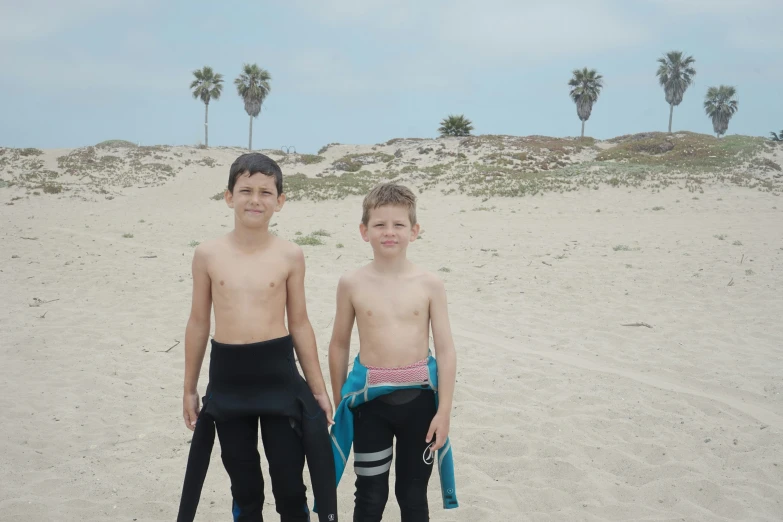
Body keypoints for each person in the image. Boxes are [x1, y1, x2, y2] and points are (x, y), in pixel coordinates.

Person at [176, 153, 338, 522]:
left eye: (266, 192)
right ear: (229, 197)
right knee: (244, 483)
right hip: (228, 380)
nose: (255, 199)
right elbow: (199, 322)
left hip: (278, 379)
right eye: (245, 190)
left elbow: (300, 323)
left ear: (280, 202)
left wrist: (318, 388)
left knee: (288, 482)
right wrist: (189, 386)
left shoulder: (290, 255)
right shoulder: (207, 255)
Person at [326, 183, 459, 521]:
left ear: (414, 231)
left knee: (413, 495)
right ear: (364, 231)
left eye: (399, 225)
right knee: (370, 495)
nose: (389, 232)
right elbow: (339, 343)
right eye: (380, 225)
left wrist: (443, 411)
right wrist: (341, 398)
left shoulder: (430, 284)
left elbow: (445, 349)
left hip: (420, 404)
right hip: (370, 405)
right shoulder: (352, 283)